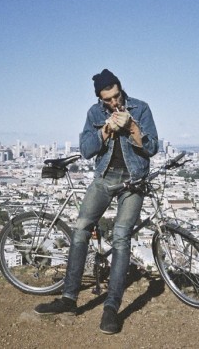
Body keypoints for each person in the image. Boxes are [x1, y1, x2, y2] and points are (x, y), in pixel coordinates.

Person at [34, 69, 159, 334]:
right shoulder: (94, 113)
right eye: (108, 100)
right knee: (81, 228)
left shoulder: (141, 108)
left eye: (116, 96)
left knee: (121, 236)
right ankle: (69, 299)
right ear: (100, 99)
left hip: (134, 180)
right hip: (104, 178)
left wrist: (132, 127)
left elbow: (152, 148)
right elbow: (86, 150)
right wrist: (105, 130)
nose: (114, 102)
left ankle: (111, 308)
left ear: (121, 89)